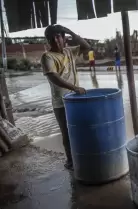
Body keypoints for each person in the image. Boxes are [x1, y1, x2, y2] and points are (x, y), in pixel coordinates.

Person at [40, 24, 90, 170]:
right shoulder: (47, 57)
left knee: (82, 129)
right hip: (61, 103)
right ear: (48, 41)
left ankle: (82, 156)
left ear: (63, 38)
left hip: (77, 100)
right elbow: (53, 77)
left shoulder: (69, 52)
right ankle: (71, 161)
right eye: (51, 38)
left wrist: (70, 32)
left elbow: (87, 46)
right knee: (67, 133)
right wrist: (74, 88)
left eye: (58, 37)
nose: (55, 41)